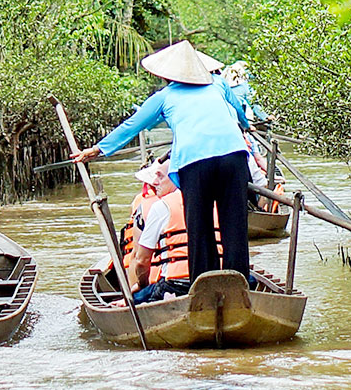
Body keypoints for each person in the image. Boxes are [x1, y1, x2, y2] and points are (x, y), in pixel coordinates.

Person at [73, 41, 254, 281]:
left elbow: (133, 125)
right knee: (235, 224)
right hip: (234, 155)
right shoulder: (219, 84)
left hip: (195, 161)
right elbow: (239, 113)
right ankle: (239, 280)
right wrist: (247, 126)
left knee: (199, 228)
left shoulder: (165, 96)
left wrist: (98, 149)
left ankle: (205, 282)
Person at [124, 162, 219, 303]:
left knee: (134, 299)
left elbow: (142, 260)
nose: (155, 182)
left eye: (161, 177)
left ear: (176, 177)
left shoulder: (161, 206)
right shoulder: (216, 200)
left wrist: (142, 286)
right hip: (218, 281)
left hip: (176, 285)